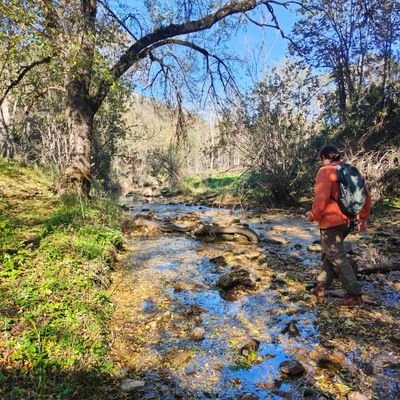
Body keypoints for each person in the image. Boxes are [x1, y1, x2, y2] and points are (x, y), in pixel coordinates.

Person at [306, 145, 371, 306]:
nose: (321, 163)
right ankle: (320, 288)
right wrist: (363, 217)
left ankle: (355, 295)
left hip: (331, 223)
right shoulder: (350, 170)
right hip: (348, 221)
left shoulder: (325, 171)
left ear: (324, 158)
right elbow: (366, 195)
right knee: (331, 254)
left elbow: (321, 198)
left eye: (321, 160)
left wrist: (312, 215)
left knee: (336, 257)